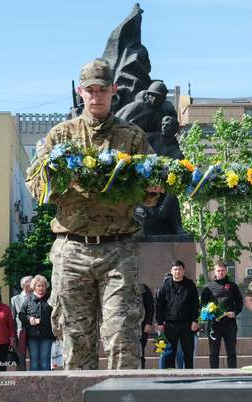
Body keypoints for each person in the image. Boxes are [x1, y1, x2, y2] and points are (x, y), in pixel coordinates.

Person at [25, 58, 162, 370]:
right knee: (75, 339)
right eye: (90, 90)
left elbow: (152, 191)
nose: (96, 96)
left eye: (102, 89)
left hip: (119, 249)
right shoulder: (61, 136)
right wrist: (58, 178)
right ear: (80, 92)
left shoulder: (133, 137)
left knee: (123, 333)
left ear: (114, 90)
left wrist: (154, 190)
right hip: (72, 249)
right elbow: (36, 187)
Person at [155, 261, 199, 369]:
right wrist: (160, 322)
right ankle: (171, 377)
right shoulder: (165, 286)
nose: (177, 272)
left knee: (188, 351)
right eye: (175, 269)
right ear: (171, 271)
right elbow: (159, 305)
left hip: (187, 324)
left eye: (179, 269)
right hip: (170, 324)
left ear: (183, 271)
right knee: (169, 352)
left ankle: (189, 376)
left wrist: (195, 320)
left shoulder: (190, 285)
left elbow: (195, 304)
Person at [200, 261, 243, 368]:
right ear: (215, 271)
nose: (221, 272)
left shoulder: (233, 286)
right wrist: (208, 311)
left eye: (223, 270)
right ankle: (214, 375)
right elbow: (202, 305)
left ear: (226, 271)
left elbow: (239, 303)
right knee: (213, 353)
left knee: (231, 352)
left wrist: (235, 312)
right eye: (218, 270)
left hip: (230, 324)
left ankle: (232, 374)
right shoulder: (208, 287)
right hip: (214, 325)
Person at [19, 275, 55, 371]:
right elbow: (21, 315)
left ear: (46, 287)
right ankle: (34, 385)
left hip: (47, 335)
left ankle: (46, 385)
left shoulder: (50, 300)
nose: (41, 288)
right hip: (32, 336)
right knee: (34, 362)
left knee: (45, 362)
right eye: (38, 286)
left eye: (43, 286)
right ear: (34, 287)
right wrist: (29, 318)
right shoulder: (28, 300)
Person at [11, 275, 33, 370]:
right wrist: (13, 335)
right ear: (24, 285)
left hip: (34, 331)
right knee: (20, 357)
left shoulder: (36, 297)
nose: (33, 284)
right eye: (31, 282)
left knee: (34, 357)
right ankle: (20, 379)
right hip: (20, 332)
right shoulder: (15, 299)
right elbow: (12, 318)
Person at [140, 283, 154, 369]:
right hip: (123, 328)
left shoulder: (143, 288)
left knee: (140, 351)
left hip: (141, 327)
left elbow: (150, 307)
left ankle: (141, 371)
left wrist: (148, 323)